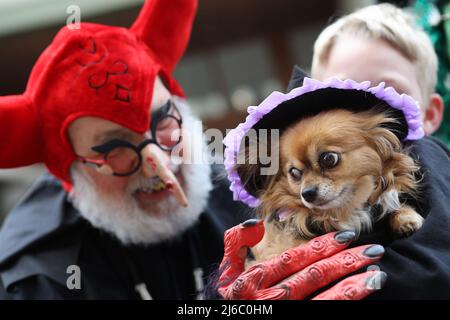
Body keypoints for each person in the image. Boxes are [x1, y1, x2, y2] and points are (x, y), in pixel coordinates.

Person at [0, 0, 254, 300]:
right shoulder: (39, 281)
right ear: (72, 175)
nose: (157, 164)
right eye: (114, 147)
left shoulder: (249, 199)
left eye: (163, 121)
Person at [214, 3, 450, 300]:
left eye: (386, 90)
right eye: (341, 93)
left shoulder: (428, 156)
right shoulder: (282, 209)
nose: (362, 105)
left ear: (430, 113)